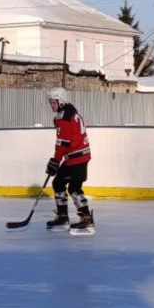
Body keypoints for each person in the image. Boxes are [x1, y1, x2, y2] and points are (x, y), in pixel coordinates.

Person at [45, 87, 94, 235]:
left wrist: (55, 160)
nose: (52, 105)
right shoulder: (70, 112)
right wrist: (59, 158)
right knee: (59, 183)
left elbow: (63, 143)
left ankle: (86, 218)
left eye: (54, 102)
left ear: (61, 101)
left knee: (73, 188)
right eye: (51, 102)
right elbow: (69, 140)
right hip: (77, 155)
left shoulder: (63, 118)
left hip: (77, 157)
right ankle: (62, 217)